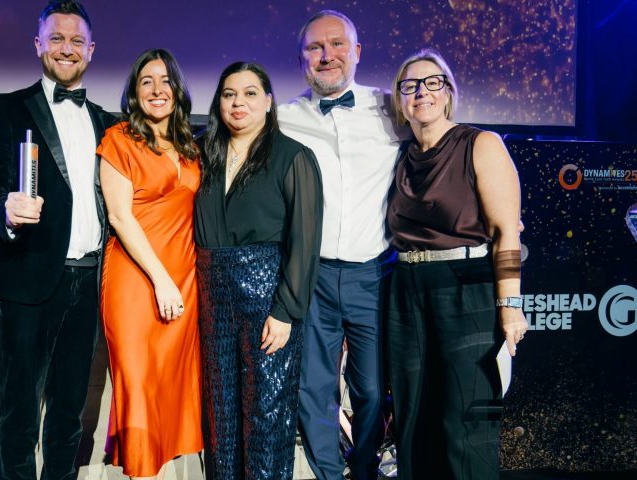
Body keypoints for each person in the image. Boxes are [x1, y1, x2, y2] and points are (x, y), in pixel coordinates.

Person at [0, 1, 116, 478]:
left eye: (77, 41)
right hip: (28, 279)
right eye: (56, 38)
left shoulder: (108, 122)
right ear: (38, 44)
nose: (66, 48)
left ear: (91, 51)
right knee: (17, 414)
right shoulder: (6, 107)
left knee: (70, 411)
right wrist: (6, 212)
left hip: (89, 281)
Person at [277, 10, 409, 480]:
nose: (326, 55)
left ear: (357, 52)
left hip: (373, 272)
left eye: (337, 45)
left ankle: (365, 468)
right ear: (301, 60)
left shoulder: (392, 109)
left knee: (372, 388)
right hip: (309, 274)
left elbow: (441, 149)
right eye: (315, 48)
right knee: (313, 388)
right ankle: (330, 474)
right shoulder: (281, 119)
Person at [386, 48, 527, 480]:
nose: (421, 93)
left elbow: (506, 230)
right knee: (413, 415)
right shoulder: (399, 157)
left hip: (466, 287)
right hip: (406, 288)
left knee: (465, 416)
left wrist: (510, 305)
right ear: (400, 99)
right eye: (410, 86)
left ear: (448, 94)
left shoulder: (480, 144)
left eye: (432, 83)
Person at [195, 61, 323, 480]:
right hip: (213, 297)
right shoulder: (203, 153)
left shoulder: (294, 157)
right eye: (229, 93)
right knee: (222, 415)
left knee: (267, 416)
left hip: (269, 298)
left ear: (269, 101)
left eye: (251, 93)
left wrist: (286, 311)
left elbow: (305, 242)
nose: (238, 102)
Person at [97, 48, 203, 480]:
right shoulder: (119, 138)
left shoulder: (190, 144)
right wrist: (161, 280)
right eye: (146, 82)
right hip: (137, 280)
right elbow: (119, 217)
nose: (157, 90)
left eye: (165, 81)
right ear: (134, 92)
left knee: (168, 391)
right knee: (139, 386)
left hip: (186, 278)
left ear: (177, 89)